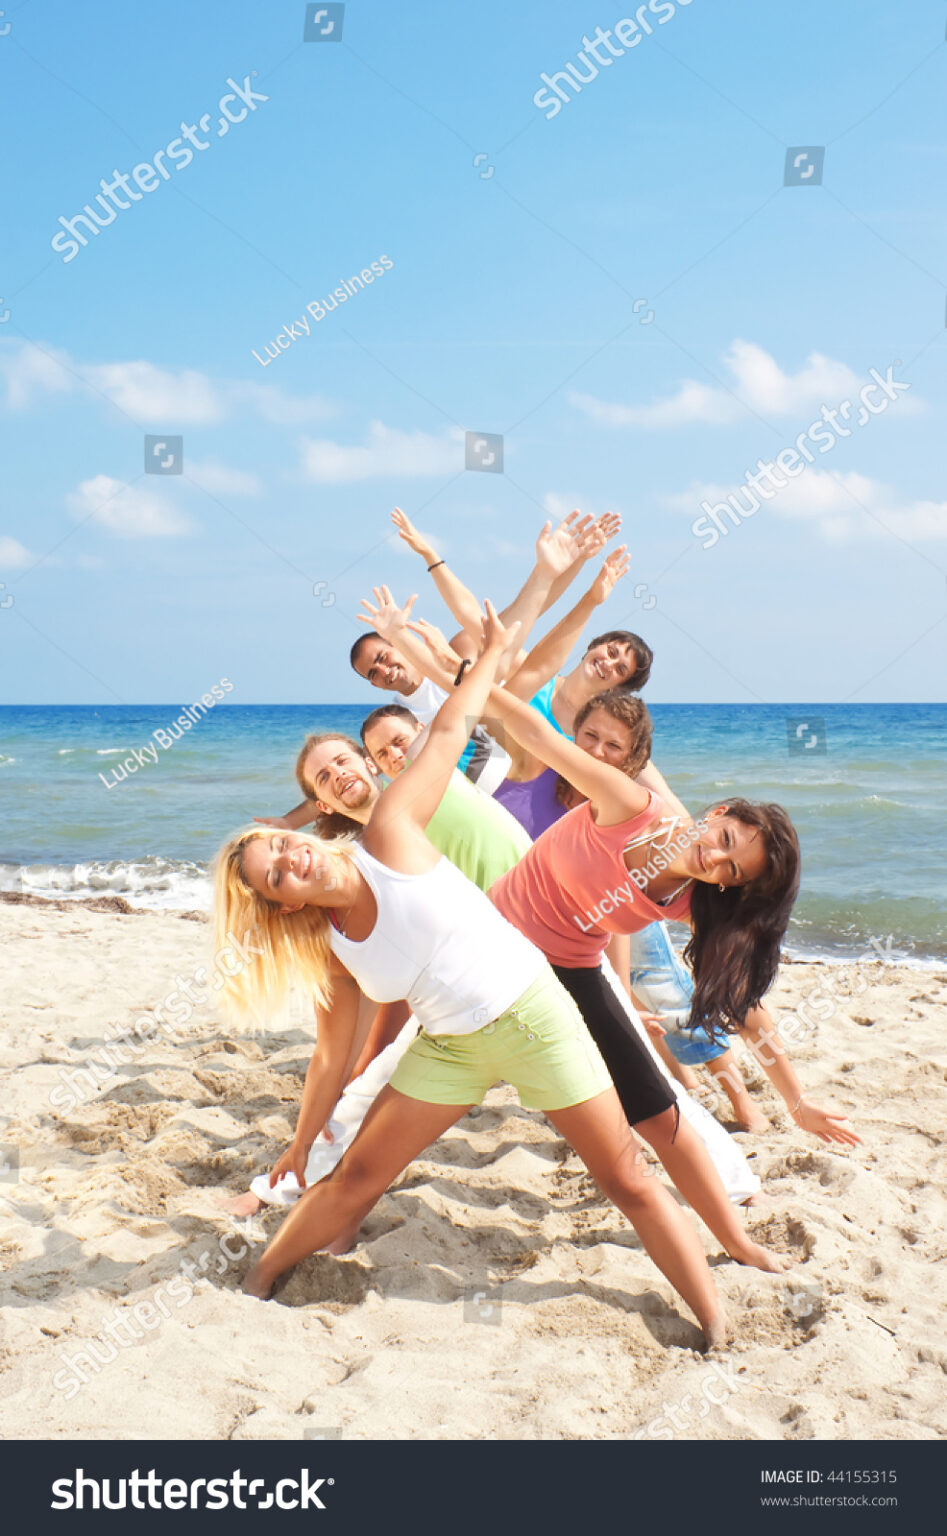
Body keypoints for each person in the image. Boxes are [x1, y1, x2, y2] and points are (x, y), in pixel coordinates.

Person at [215, 606, 736, 1347]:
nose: (290, 861)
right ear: (281, 902)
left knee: (626, 1177)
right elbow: (333, 1055)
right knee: (355, 1178)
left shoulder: (392, 829)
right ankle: (259, 1280)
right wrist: (302, 1143)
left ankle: (713, 1316)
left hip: (533, 1014)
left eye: (279, 848)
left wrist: (484, 659)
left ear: (289, 834)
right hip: (450, 1049)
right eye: (276, 877)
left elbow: (452, 730)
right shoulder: (331, 945)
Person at [362, 596, 860, 1150]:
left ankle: (731, 1174)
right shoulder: (623, 802)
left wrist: (798, 1101)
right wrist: (442, 661)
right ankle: (334, 1145)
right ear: (716, 816)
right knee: (402, 1053)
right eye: (723, 842)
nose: (715, 860)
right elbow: (528, 725)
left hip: (571, 960)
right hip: (497, 935)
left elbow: (742, 1003)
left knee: (647, 1087)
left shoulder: (691, 887)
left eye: (731, 870)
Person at [241, 707, 763, 1212]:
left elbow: (465, 709)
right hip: (482, 970)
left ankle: (736, 1183)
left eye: (347, 760)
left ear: (370, 764)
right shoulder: (357, 859)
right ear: (321, 806)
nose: (340, 774)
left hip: (559, 945)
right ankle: (282, 1186)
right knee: (377, 1081)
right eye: (323, 778)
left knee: (646, 1082)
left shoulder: (424, 785)